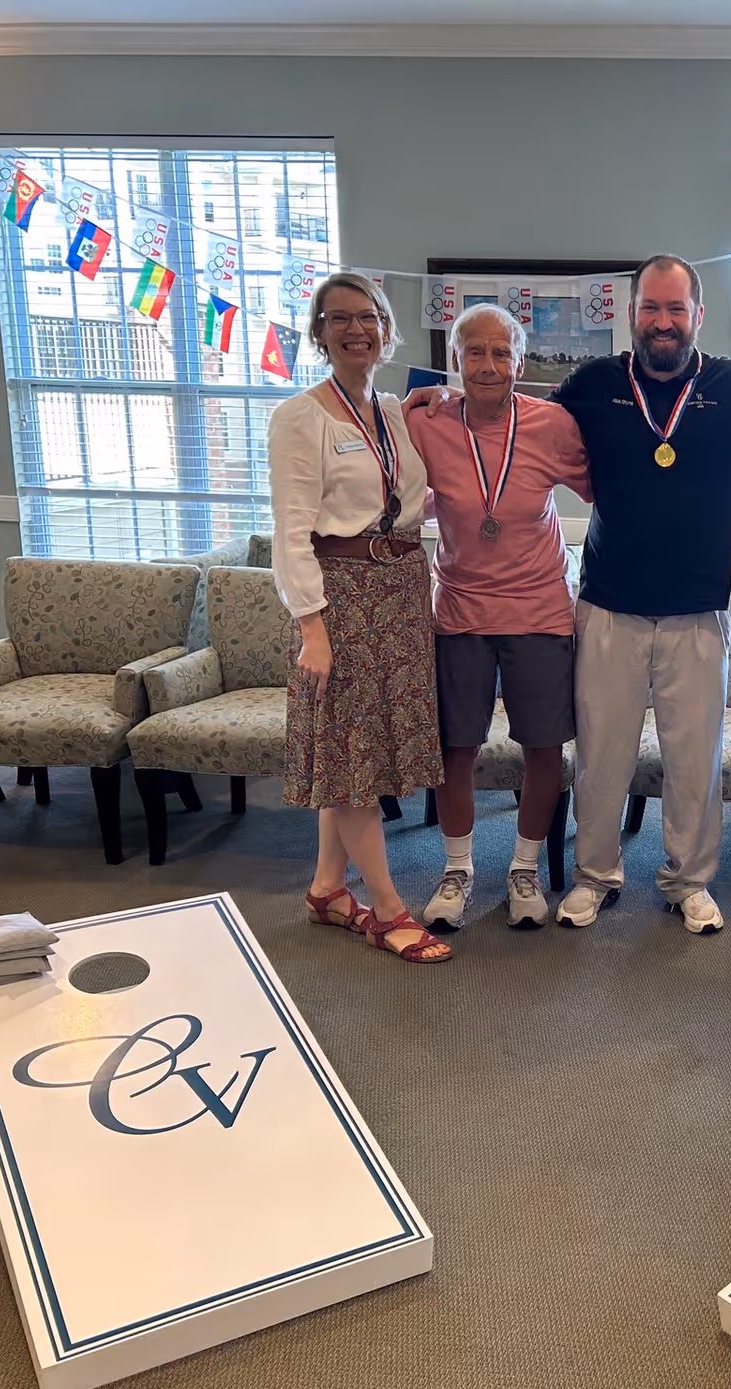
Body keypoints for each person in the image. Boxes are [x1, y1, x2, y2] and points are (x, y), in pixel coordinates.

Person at [546, 255, 731, 934]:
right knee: (601, 756)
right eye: (651, 308)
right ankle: (595, 876)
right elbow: (514, 427)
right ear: (632, 313)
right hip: (608, 605)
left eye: (675, 309)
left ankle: (688, 880)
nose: (663, 322)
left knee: (694, 759)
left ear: (698, 315)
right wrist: (434, 403)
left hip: (696, 610)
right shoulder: (592, 385)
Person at [269, 272, 450, 963]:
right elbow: (291, 533)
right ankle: (387, 908)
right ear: (319, 333)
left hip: (401, 589)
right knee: (352, 758)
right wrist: (311, 627)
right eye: (339, 318)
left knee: (357, 754)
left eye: (368, 317)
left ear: (386, 329)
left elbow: (402, 498)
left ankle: (326, 890)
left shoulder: (395, 413)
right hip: (341, 599)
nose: (356, 329)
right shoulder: (301, 417)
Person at [405, 303, 592, 930]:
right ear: (455, 361)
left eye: (501, 353)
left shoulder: (552, 425)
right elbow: (384, 467)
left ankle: (524, 869)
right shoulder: (425, 421)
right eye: (475, 353)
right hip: (459, 609)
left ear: (519, 359)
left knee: (543, 747)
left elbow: (607, 486)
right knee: (453, 748)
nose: (488, 366)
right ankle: (457, 870)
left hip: (539, 609)